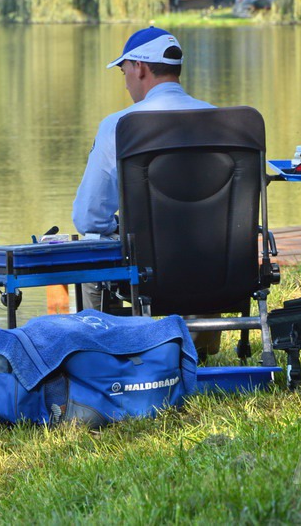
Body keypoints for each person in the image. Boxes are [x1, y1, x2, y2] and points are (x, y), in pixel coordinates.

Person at [70, 27, 221, 358]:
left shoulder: (120, 126)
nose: (125, 81)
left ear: (139, 67)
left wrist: (120, 228)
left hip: (147, 271)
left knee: (91, 245)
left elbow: (88, 218)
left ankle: (103, 352)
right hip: (218, 265)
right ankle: (202, 340)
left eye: (123, 71)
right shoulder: (221, 120)